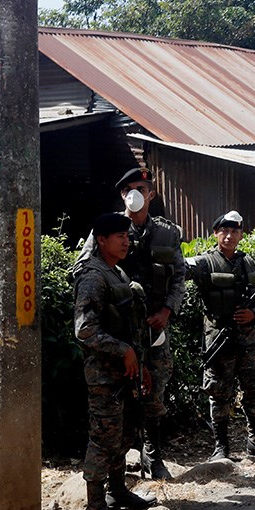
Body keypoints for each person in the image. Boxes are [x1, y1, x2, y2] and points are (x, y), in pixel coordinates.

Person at [74, 167, 186, 480]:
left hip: (154, 328)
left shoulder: (167, 232)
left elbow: (179, 277)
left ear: (151, 193)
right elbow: (83, 267)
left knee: (155, 392)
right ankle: (116, 474)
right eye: (127, 189)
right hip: (119, 331)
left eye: (140, 187)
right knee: (119, 399)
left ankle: (153, 456)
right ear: (122, 196)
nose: (134, 193)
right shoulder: (109, 227)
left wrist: (166, 311)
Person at [73, 213, 159, 510]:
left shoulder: (116, 272)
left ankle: (117, 492)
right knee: (104, 437)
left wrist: (140, 362)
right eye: (118, 236)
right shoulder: (93, 276)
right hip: (104, 374)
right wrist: (122, 351)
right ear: (101, 241)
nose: (126, 241)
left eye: (127, 235)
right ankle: (95, 509)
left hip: (125, 372)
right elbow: (85, 330)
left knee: (123, 433)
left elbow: (129, 325)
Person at [188, 210, 255, 460]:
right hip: (219, 338)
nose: (229, 236)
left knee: (254, 390)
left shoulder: (247, 262)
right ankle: (221, 448)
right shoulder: (204, 263)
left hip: (247, 339)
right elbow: (179, 271)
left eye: (234, 231)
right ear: (216, 233)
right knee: (219, 392)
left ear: (241, 234)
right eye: (224, 231)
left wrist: (254, 314)